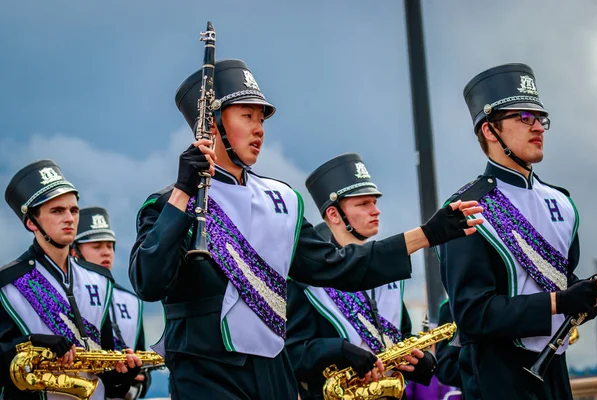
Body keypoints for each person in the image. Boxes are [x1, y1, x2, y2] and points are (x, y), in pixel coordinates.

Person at [128, 59, 484, 400]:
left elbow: (338, 265)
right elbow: (149, 281)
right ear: (212, 124)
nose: (258, 129)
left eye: (261, 119)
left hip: (272, 372)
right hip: (203, 374)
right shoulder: (167, 204)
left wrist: (428, 234)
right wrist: (184, 192)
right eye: (246, 116)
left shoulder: (281, 199)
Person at [438, 63, 597, 400]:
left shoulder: (563, 203)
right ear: (489, 130)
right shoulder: (465, 208)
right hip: (496, 381)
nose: (538, 126)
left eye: (541, 118)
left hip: (556, 376)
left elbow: (561, 289)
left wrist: (588, 297)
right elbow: (472, 315)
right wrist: (560, 301)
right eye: (524, 117)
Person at [286, 153, 437, 400]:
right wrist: (340, 350)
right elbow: (292, 353)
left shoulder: (388, 273)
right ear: (334, 215)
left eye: (374, 202)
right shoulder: (307, 280)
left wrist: (422, 360)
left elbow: (401, 335)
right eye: (363, 204)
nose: (375, 211)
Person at [0, 160, 141, 400]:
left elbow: (105, 371)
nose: (70, 218)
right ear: (32, 222)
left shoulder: (100, 280)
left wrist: (124, 373)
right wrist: (31, 342)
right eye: (57, 211)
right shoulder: (8, 283)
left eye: (73, 210)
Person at [72, 206, 151, 399]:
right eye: (97, 246)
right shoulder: (66, 295)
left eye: (110, 246)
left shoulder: (132, 301)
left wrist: (141, 376)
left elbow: (139, 353)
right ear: (74, 252)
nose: (106, 252)